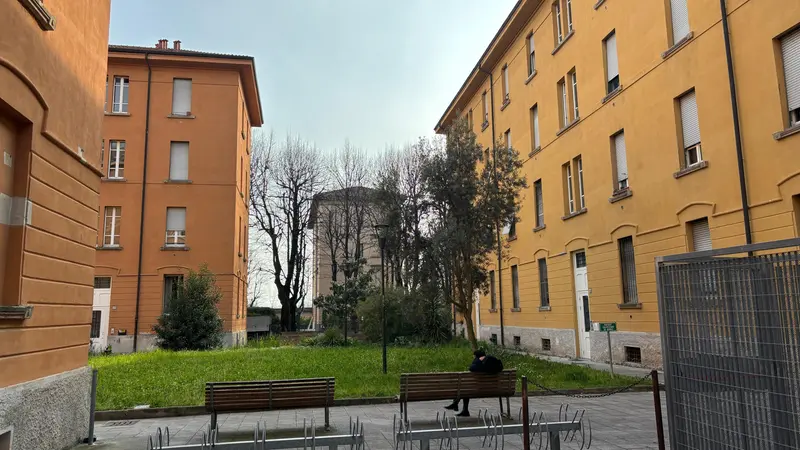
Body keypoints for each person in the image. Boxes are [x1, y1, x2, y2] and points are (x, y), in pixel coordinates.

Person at [444, 349, 504, 417]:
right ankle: (458, 406)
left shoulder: (479, 364)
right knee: (466, 388)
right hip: (496, 389)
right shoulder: (494, 363)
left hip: (480, 390)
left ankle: (458, 405)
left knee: (465, 389)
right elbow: (500, 366)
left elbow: (471, 368)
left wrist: (478, 361)